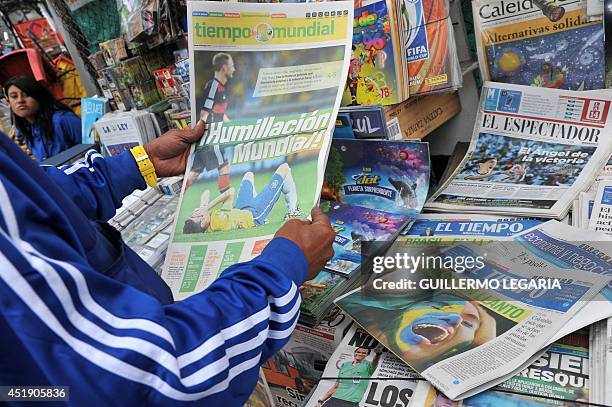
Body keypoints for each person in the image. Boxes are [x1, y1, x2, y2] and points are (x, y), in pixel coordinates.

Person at [0, 119, 335, 405]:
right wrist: (281, 269)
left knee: (250, 180)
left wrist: (136, 165)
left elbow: (38, 194)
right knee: (276, 177)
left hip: (150, 302)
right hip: (168, 338)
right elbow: (150, 378)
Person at [183, 162, 302, 234]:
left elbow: (206, 193)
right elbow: (230, 192)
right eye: (197, 217)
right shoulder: (220, 220)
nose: (197, 215)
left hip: (240, 208)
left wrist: (202, 208)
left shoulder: (208, 222)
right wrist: (206, 207)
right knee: (284, 168)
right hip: (254, 214)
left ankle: (257, 203)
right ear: (203, 222)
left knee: (248, 175)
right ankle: (292, 211)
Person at [185, 52, 236, 192]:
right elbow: (204, 113)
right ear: (224, 68)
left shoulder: (220, 88)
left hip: (210, 137)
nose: (234, 69)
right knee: (224, 166)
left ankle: (179, 192)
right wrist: (200, 136)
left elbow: (219, 112)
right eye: (232, 66)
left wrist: (233, 127)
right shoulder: (213, 86)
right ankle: (227, 205)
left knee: (194, 173)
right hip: (211, 137)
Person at [4, 75, 81, 161]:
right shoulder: (28, 132)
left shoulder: (64, 119)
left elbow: (93, 151)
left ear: (38, 96)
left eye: (26, 94)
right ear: (8, 101)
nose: (20, 100)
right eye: (14, 96)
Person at [315, 346, 383, 407]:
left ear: (367, 355)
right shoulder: (345, 365)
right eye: (358, 352)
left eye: (363, 353)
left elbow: (375, 361)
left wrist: (378, 354)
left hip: (350, 403)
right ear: (354, 352)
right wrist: (320, 401)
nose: (360, 354)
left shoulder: (368, 366)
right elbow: (336, 386)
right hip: (334, 400)